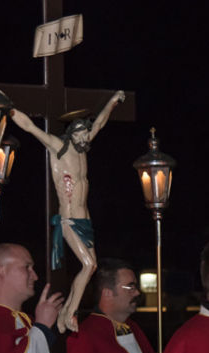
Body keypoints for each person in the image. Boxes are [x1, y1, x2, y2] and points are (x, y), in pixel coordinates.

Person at [11, 90, 125, 332]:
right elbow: (31, 127)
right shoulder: (60, 148)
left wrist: (113, 101)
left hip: (85, 219)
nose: (86, 137)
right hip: (69, 218)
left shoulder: (83, 147)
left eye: (86, 133)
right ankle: (69, 313)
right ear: (72, 134)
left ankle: (66, 312)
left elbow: (101, 122)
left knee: (91, 266)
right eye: (81, 133)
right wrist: (8, 109)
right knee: (88, 265)